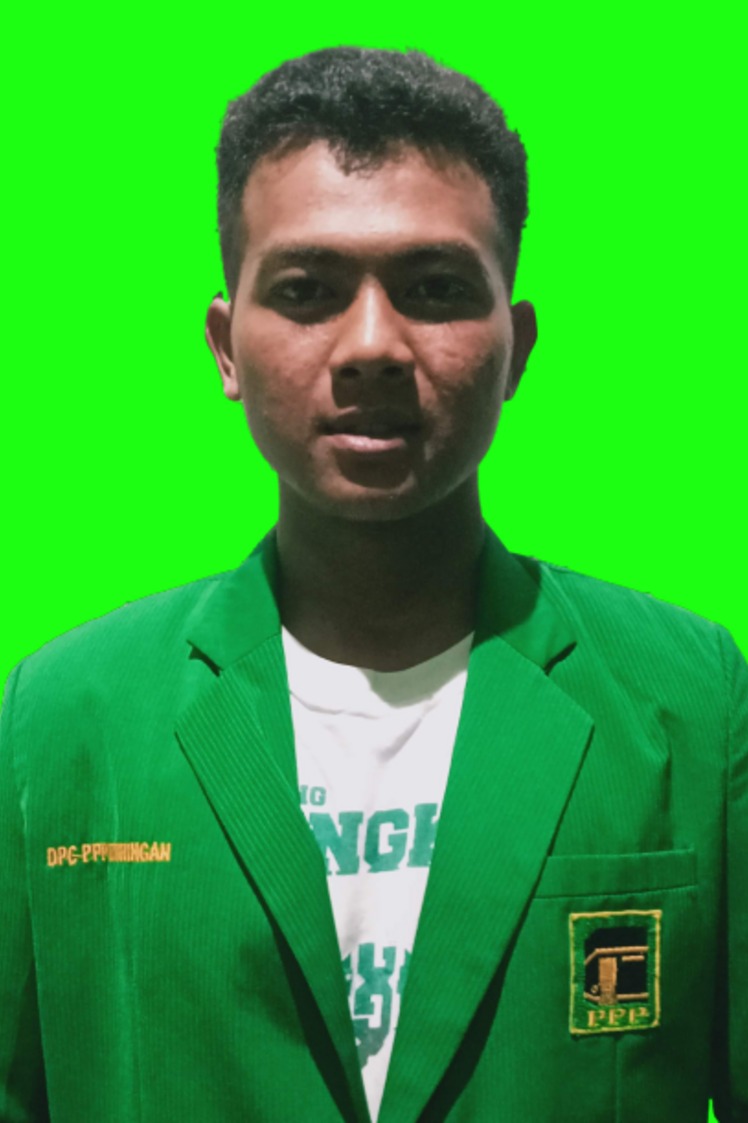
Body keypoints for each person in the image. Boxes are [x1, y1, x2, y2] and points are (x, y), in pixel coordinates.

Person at [0, 45, 745, 1123]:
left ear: (516, 347)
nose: (372, 345)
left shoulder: (688, 697)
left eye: (435, 289)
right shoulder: (68, 718)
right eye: (307, 290)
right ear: (225, 346)